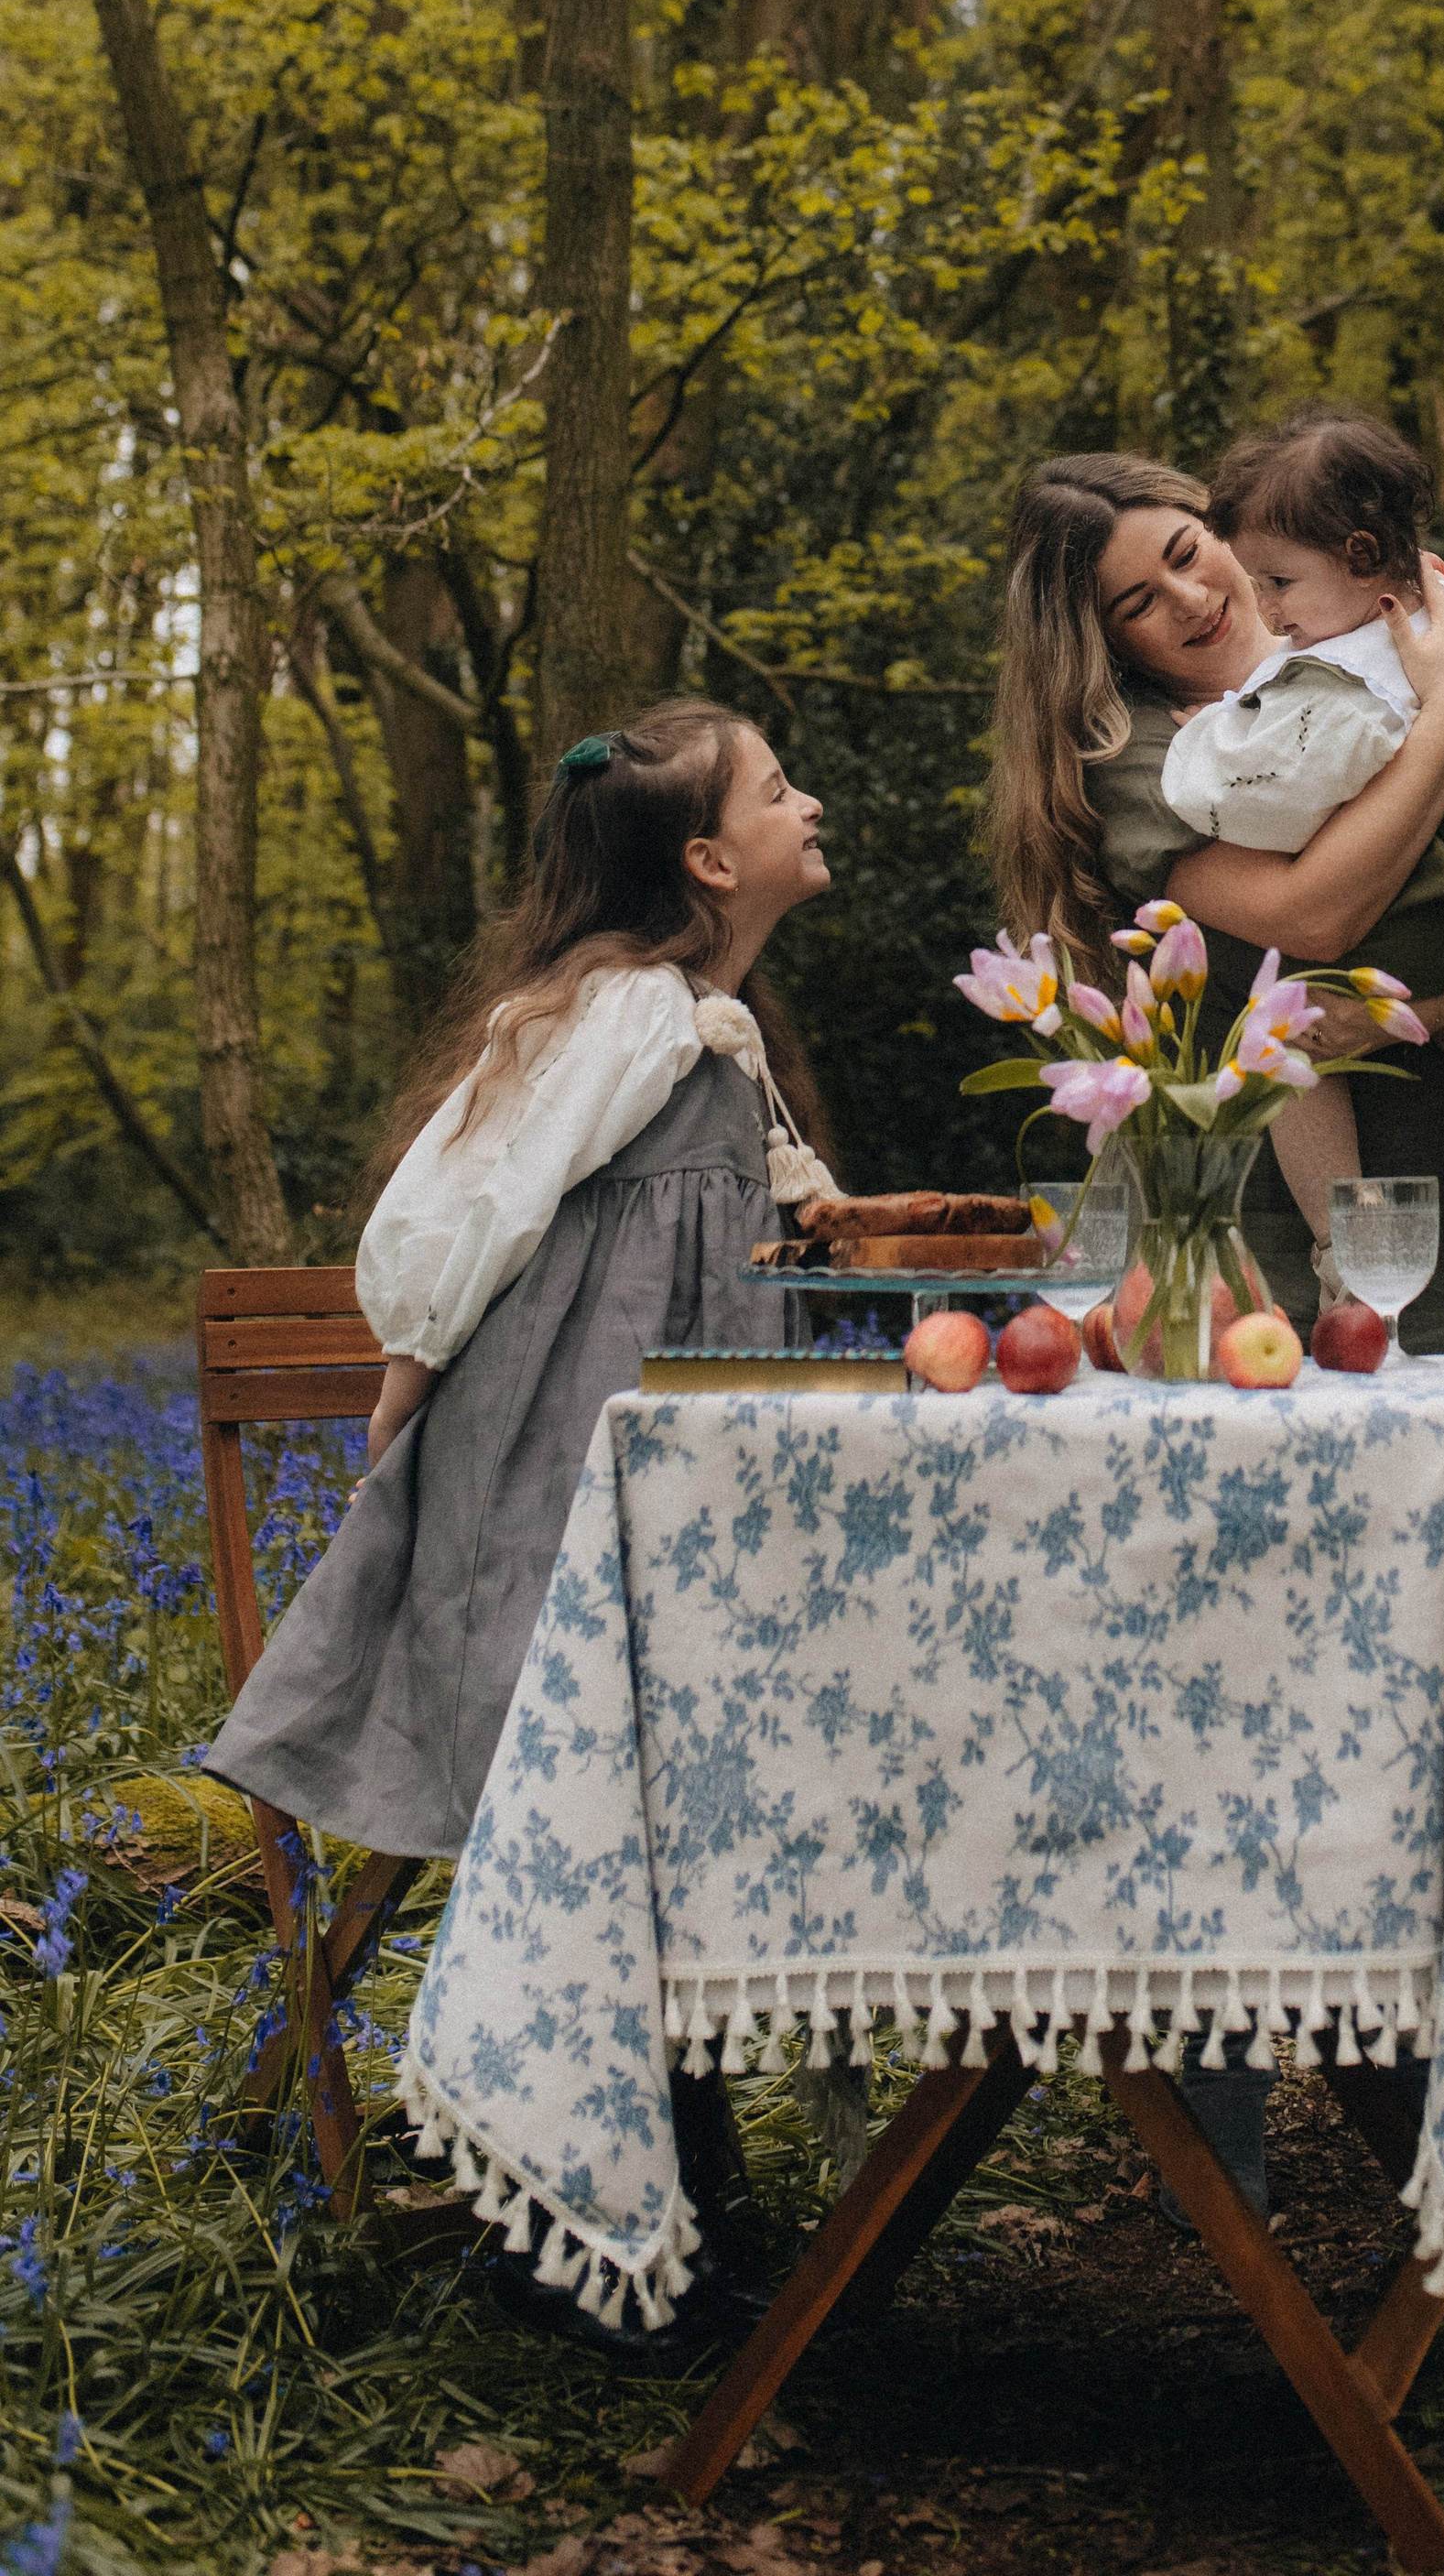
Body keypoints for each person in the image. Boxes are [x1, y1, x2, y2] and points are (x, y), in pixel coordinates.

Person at [207, 698, 837, 2344]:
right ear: (709, 857)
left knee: (672, 1795)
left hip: (672, 1474)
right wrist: (409, 1377)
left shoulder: (706, 1023)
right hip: (569, 1477)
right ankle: (573, 2233)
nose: (810, 801)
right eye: (780, 789)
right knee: (610, 1797)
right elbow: (467, 1194)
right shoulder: (621, 1012)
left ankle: (674, 2200)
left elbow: (751, 1208)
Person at [987, 453, 1444, 1358]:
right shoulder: (1142, 760)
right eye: (1139, 603)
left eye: (1189, 552)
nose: (1189, 597)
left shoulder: (1377, 648)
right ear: (1105, 644)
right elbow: (1313, 922)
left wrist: (1398, 1023)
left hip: (1424, 1187)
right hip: (1234, 1213)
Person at [1164, 406, 1444, 1299]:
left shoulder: (1350, 665)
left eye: (1281, 581)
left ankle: (1341, 1251)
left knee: (1278, 1037)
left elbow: (1283, 793)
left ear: (1364, 558)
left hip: (1423, 880)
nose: (1269, 608)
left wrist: (1214, 738)